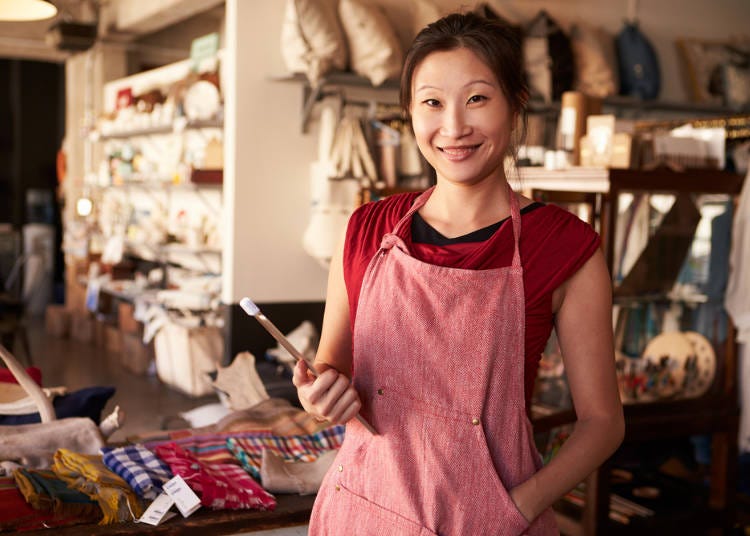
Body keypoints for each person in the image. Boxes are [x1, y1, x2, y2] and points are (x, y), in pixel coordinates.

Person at [293, 11, 624, 535]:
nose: (453, 127)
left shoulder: (563, 246)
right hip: (363, 511)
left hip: (491, 523)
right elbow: (329, 372)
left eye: (476, 98)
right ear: (409, 113)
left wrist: (511, 510)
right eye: (431, 103)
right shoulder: (365, 229)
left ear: (515, 106)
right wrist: (317, 397)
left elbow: (603, 423)